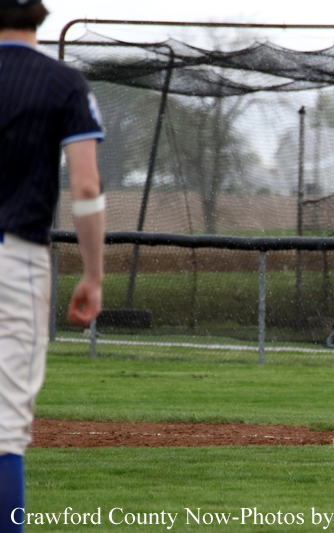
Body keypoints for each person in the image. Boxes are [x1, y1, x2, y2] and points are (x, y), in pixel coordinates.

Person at [0, 1, 106, 530]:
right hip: (15, 258)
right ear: (38, 14)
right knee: (5, 430)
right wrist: (93, 274)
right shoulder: (62, 82)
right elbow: (86, 188)